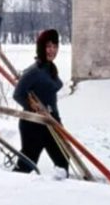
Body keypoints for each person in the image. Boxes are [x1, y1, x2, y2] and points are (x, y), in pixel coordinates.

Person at [12, 29, 69, 176]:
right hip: (33, 124)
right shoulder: (34, 71)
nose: (52, 50)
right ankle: (10, 188)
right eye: (48, 46)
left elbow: (50, 94)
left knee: (62, 158)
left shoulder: (50, 68)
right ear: (41, 47)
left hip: (51, 121)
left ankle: (64, 193)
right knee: (28, 164)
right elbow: (18, 94)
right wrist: (32, 105)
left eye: (55, 46)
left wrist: (57, 120)